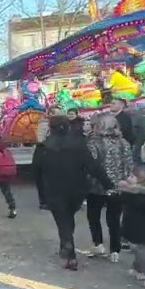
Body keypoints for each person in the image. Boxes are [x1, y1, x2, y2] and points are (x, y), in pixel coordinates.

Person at [41, 115, 114, 271]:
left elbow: (38, 171)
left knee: (62, 220)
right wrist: (108, 184)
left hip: (55, 188)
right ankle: (66, 245)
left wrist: (42, 193)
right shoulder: (79, 144)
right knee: (69, 216)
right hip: (77, 188)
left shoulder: (45, 146)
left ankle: (69, 250)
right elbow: (93, 167)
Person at [85, 113, 134, 262]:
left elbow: (90, 166)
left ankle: (98, 244)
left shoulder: (93, 143)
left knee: (93, 216)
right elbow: (129, 165)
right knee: (114, 219)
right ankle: (115, 250)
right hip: (118, 186)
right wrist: (125, 181)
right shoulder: (123, 142)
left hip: (96, 186)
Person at [31, 106, 62, 210]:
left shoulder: (61, 125)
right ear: (51, 115)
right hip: (43, 153)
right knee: (43, 179)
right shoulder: (44, 125)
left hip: (54, 153)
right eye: (58, 114)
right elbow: (41, 140)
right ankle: (44, 201)